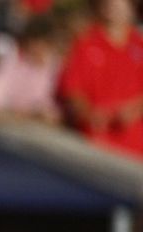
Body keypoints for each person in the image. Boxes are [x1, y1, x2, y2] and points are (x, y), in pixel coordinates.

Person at [59, 0, 143, 158]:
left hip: (135, 149)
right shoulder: (85, 42)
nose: (113, 6)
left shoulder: (139, 45)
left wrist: (135, 109)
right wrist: (89, 114)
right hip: (94, 145)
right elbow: (72, 89)